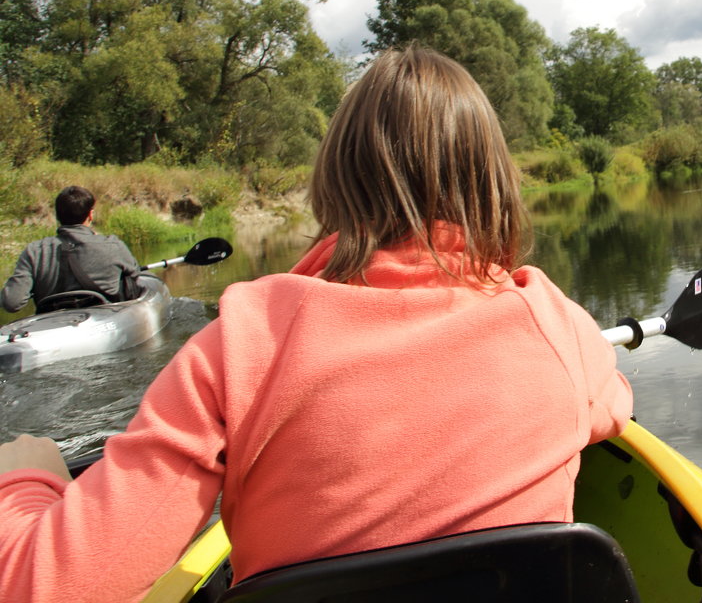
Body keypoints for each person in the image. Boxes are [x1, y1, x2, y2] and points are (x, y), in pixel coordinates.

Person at [0, 45, 633, 603]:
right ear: (491, 183)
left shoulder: (243, 341)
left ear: (336, 179)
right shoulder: (556, 320)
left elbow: (50, 589)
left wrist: (26, 480)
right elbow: (613, 409)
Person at [1, 185, 142, 313]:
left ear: (57, 216)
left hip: (50, 325)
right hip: (102, 322)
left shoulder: (34, 251)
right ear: (91, 214)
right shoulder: (113, 245)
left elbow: (12, 302)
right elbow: (134, 273)